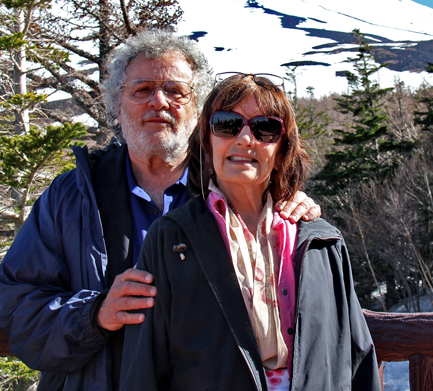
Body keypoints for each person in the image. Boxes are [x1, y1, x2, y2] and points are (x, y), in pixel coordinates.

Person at [0, 31, 321, 391]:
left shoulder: (236, 192)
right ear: (117, 107)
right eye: (142, 90)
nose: (158, 102)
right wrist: (96, 314)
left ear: (198, 109)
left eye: (175, 91)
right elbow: (20, 306)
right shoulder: (70, 197)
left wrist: (293, 206)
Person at [120, 73, 380, 391]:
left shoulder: (321, 243)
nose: (245, 139)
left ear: (283, 148)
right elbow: (145, 367)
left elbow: (356, 356)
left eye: (265, 128)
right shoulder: (172, 239)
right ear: (206, 138)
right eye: (227, 124)